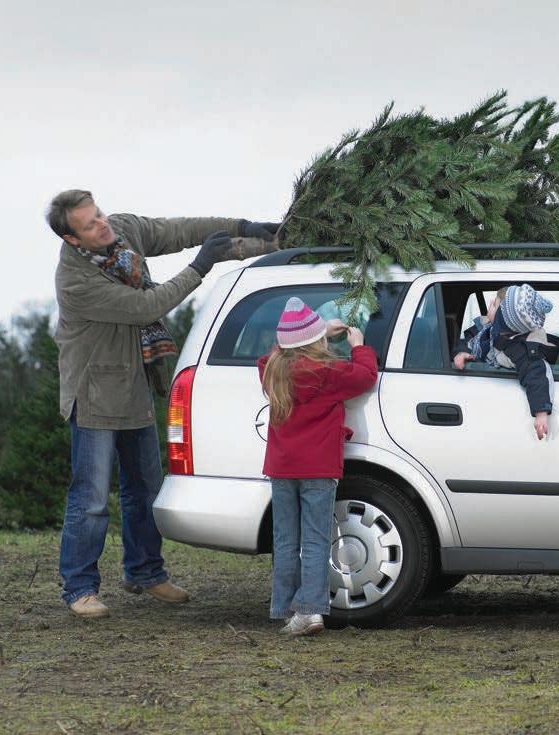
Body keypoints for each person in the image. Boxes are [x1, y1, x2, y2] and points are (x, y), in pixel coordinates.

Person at [49, 188, 279, 618]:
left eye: (99, 214)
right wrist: (200, 267)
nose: (103, 224)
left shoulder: (123, 231)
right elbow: (146, 307)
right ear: (72, 239)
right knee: (91, 498)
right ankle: (79, 587)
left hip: (134, 385)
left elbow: (179, 230)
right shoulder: (76, 281)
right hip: (94, 395)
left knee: (145, 489)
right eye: (90, 224)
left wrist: (243, 228)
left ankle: (146, 572)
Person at [257, 298, 378, 636]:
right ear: (317, 341)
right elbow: (366, 376)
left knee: (285, 540)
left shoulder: (273, 371)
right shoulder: (328, 374)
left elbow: (269, 356)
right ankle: (310, 611)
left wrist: (315, 333)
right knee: (315, 540)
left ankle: (286, 608)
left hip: (282, 469)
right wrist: (358, 345)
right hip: (320, 468)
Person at [452, 284, 559, 440]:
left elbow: (537, 374)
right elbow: (468, 341)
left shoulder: (519, 350)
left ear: (503, 319)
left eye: (494, 304)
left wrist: (541, 412)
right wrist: (462, 352)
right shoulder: (485, 328)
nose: (490, 304)